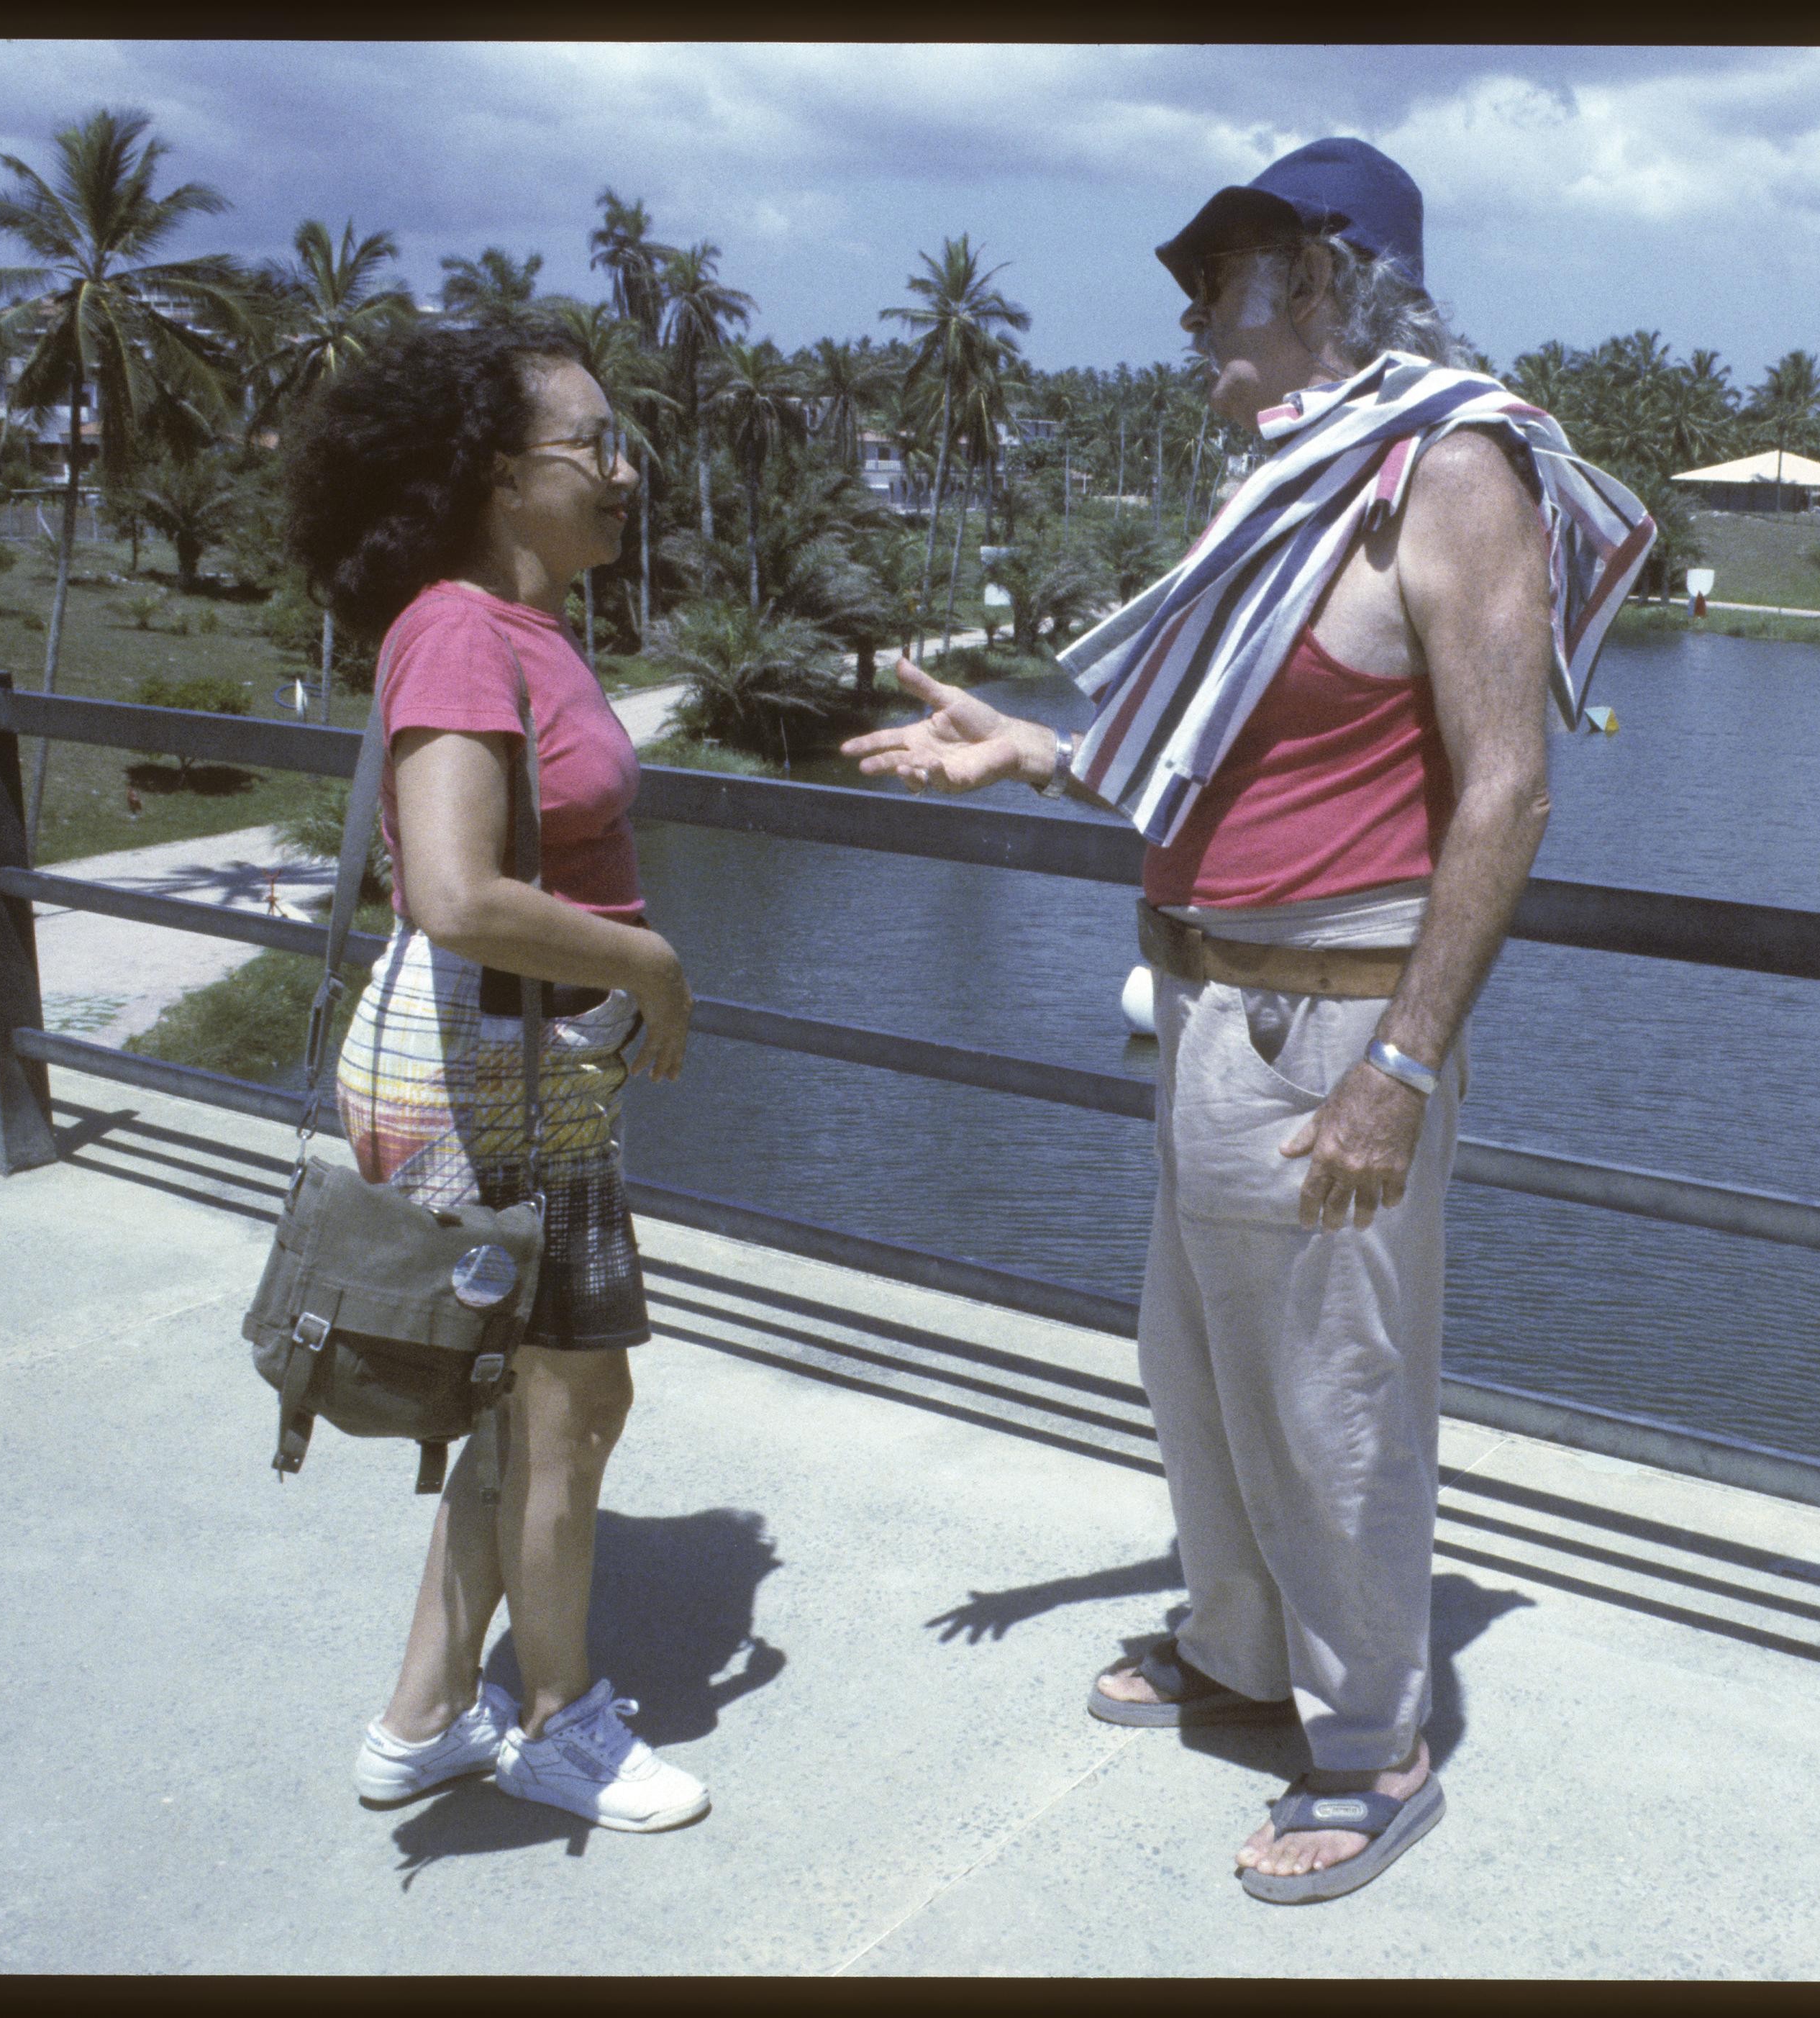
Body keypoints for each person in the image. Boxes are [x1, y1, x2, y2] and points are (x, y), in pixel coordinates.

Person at [845, 137, 1652, 1903]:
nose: (1191, 316)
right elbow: (1218, 762)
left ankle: (1368, 1741)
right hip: (1211, 1010)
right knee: (1200, 1373)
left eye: (1219, 279)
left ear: (1322, 281)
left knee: (1330, 1402)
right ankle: (1234, 1646)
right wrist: (1033, 748)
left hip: (1331, 1028)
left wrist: (1401, 1066)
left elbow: (1506, 792)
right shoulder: (1296, 483)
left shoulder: (1445, 471)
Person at [282, 322, 708, 1832]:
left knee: (528, 1402)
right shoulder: (462, 630)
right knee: (570, 1401)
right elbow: (455, 890)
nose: (624, 469)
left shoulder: (522, 625)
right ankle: (557, 1720)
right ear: (494, 475)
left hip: (527, 1063)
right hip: (488, 1063)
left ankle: (419, 1718)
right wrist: (647, 963)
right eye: (592, 442)